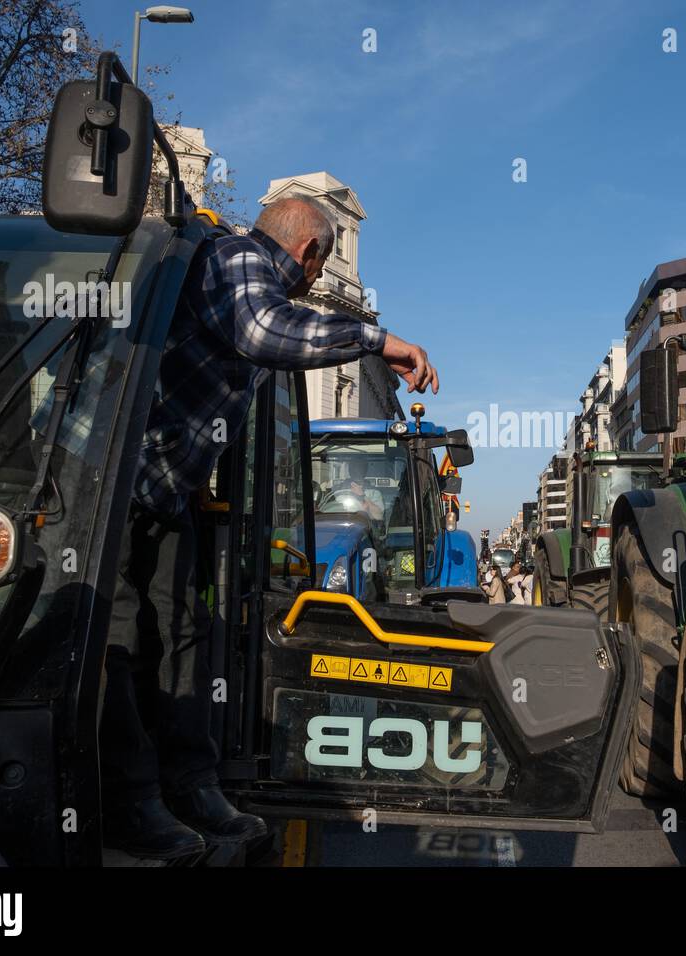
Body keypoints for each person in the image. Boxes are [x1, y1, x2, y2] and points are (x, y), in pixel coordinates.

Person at [100, 196, 438, 860]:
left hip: (166, 495)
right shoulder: (234, 257)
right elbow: (262, 332)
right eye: (318, 266)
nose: (314, 281)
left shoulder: (243, 270)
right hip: (107, 486)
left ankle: (190, 786)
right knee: (118, 636)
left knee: (180, 634)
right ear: (310, 253)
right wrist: (378, 338)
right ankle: (126, 799)